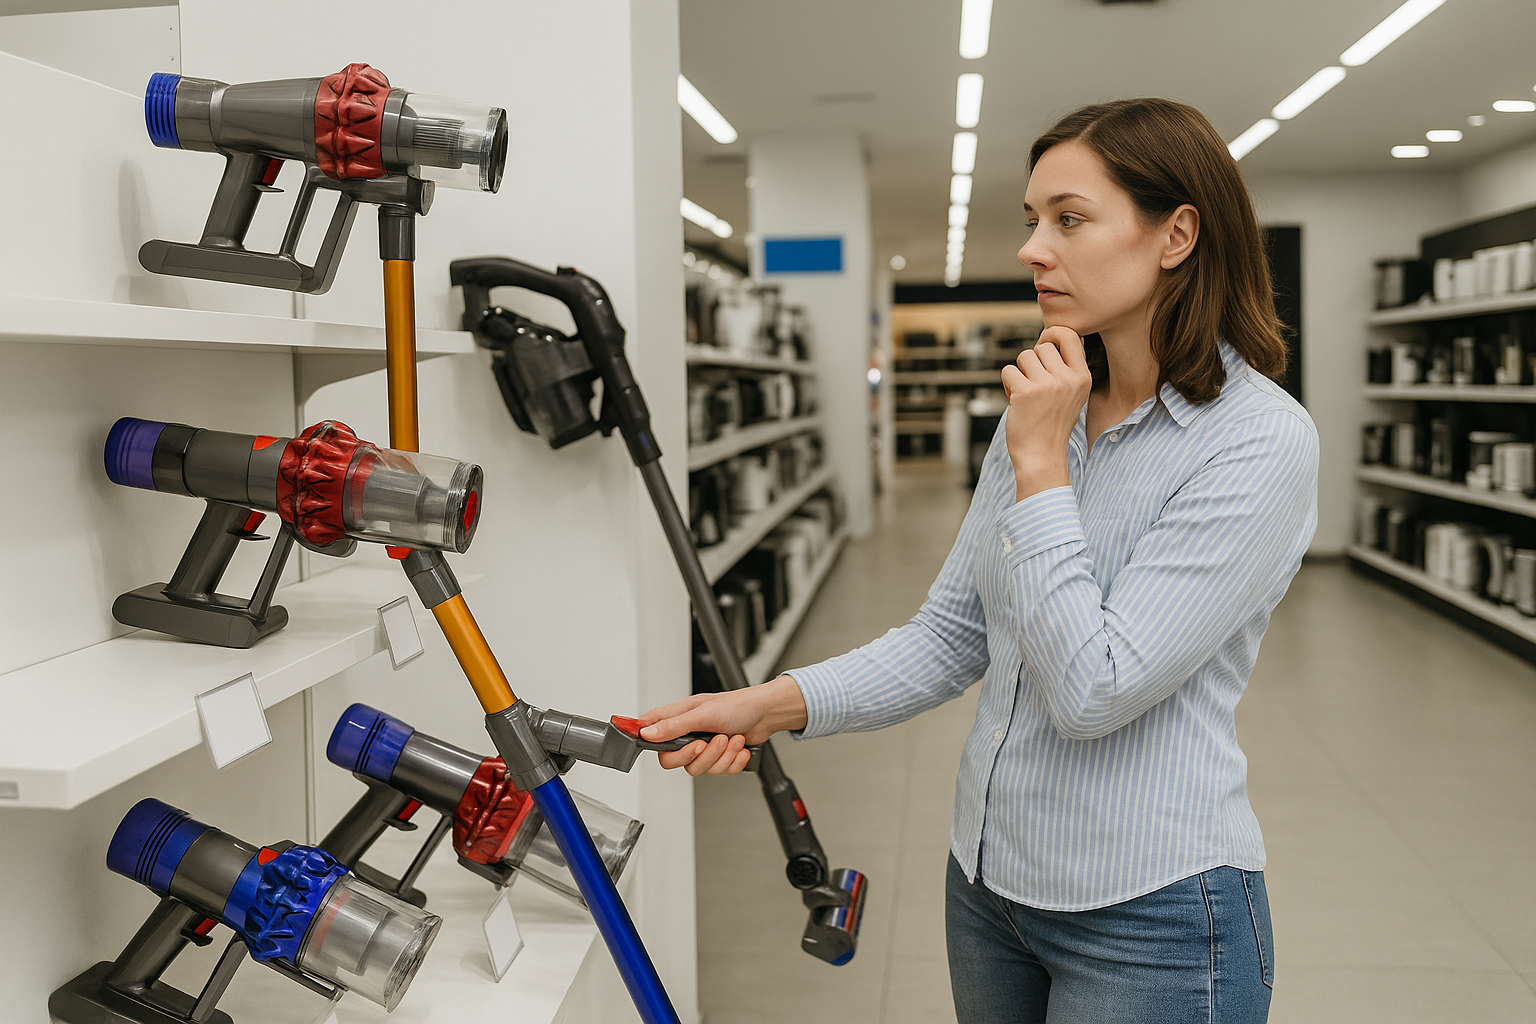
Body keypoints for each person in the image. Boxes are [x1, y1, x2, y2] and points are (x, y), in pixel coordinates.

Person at [639, 98, 1318, 1024]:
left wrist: (1042, 466)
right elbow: (952, 635)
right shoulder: (1048, 406)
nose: (1036, 248)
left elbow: (1095, 690)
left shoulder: (1257, 441)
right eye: (1032, 221)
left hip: (1151, 914)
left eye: (1070, 220)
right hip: (989, 886)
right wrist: (772, 704)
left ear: (1177, 235)